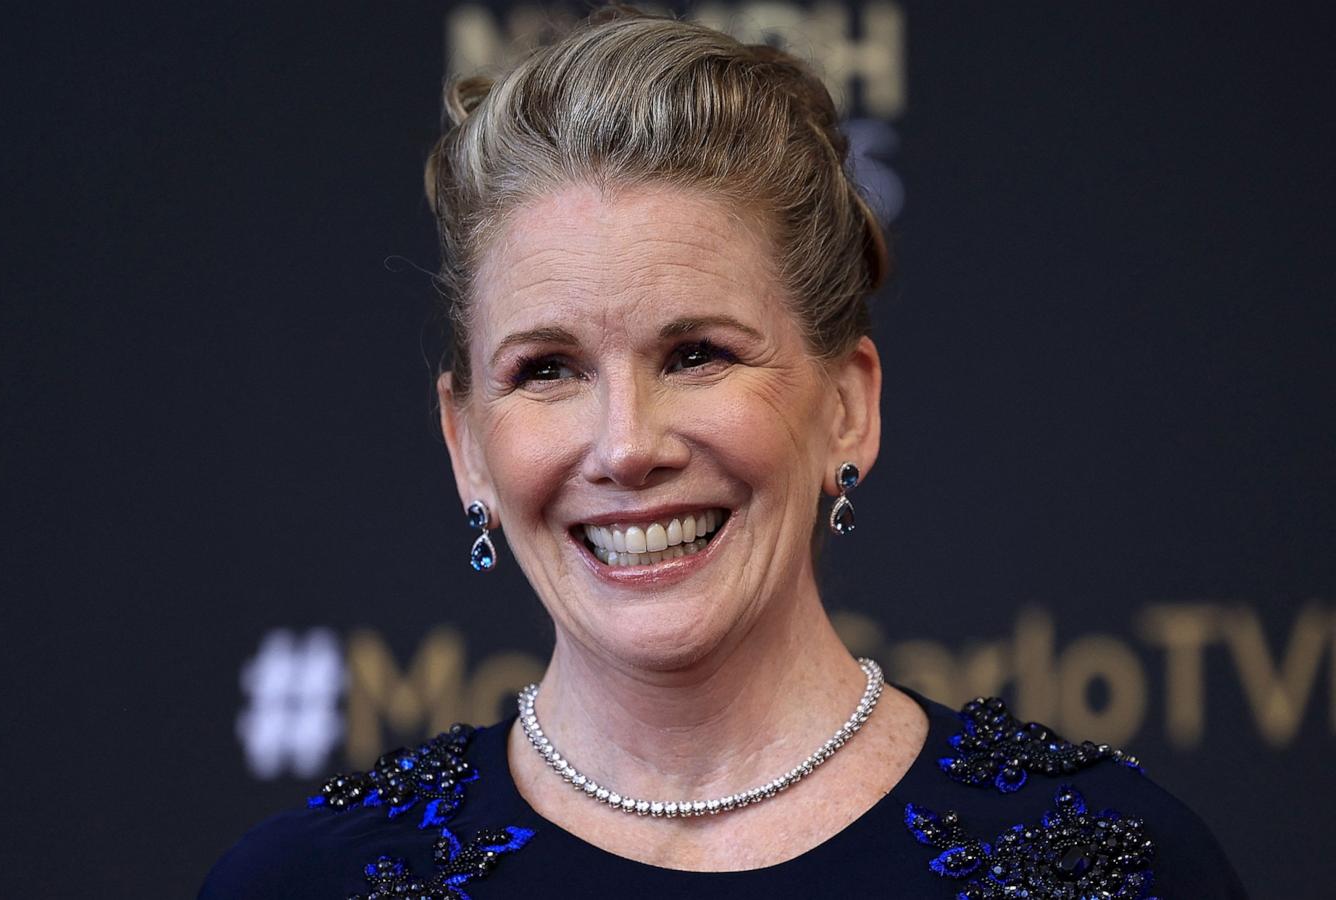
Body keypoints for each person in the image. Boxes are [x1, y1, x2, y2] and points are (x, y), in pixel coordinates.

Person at [200, 7, 1246, 897]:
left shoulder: (1121, 864)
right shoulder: (304, 881)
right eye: (547, 369)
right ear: (466, 443)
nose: (625, 446)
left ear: (846, 406)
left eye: (696, 353)